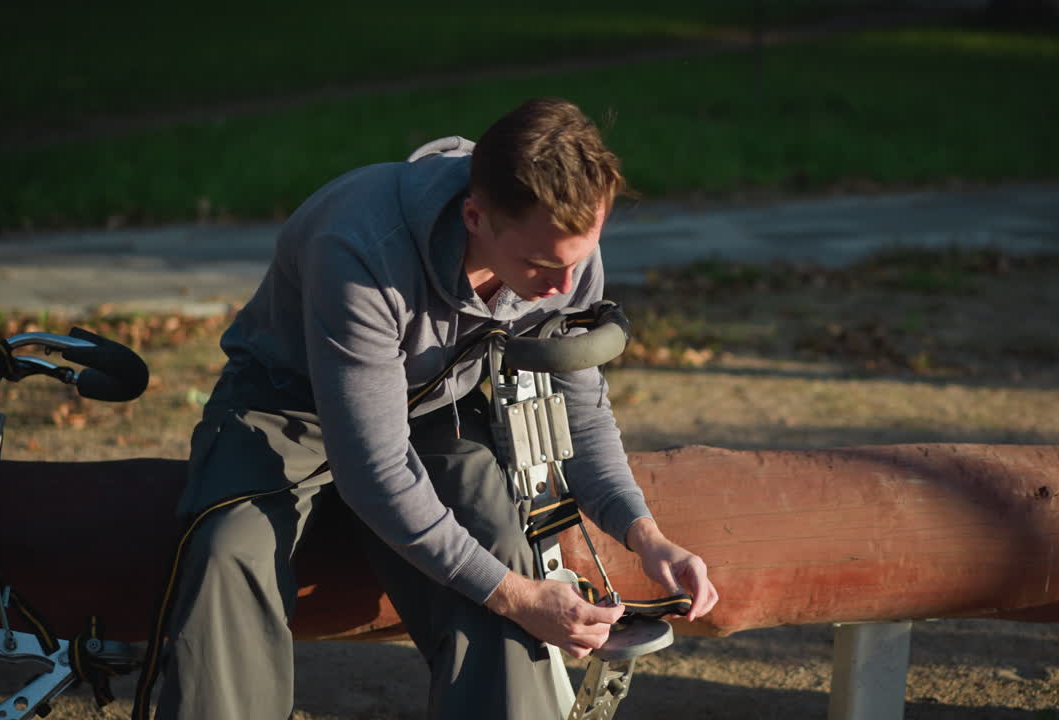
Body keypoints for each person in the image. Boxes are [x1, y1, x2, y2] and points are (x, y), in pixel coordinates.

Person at [153, 97, 719, 720]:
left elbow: (578, 414)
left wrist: (648, 536)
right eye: (541, 265)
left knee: (500, 539)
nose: (563, 287)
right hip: (285, 406)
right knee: (228, 554)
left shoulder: (564, 252)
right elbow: (373, 470)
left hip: (433, 405)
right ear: (476, 217)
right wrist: (516, 597)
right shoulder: (362, 251)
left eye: (579, 259)